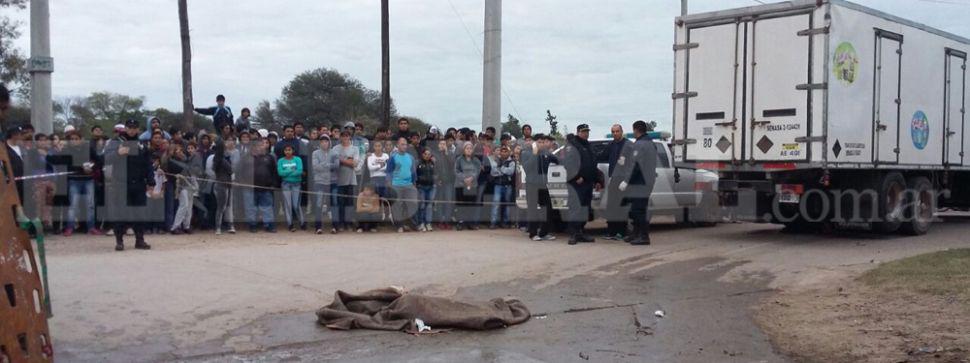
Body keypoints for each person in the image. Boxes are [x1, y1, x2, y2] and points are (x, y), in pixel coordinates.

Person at [105, 119, 155, 251]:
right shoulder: (116, 142)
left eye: (134, 128)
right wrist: (117, 153)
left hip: (138, 184)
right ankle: (119, 241)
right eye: (129, 127)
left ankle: (140, 240)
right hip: (121, 184)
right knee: (120, 213)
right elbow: (105, 159)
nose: (132, 130)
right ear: (125, 128)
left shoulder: (142, 144)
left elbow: (148, 165)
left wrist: (151, 182)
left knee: (139, 213)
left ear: (138, 129)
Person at [617, 120, 658, 246]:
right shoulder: (650, 143)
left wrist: (626, 181)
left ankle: (643, 236)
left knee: (639, 210)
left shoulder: (640, 144)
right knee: (635, 209)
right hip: (647, 180)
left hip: (640, 181)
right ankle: (636, 233)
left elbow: (636, 165)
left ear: (636, 130)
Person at [57, 130, 103, 236]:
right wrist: (81, 168)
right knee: (73, 205)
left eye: (76, 139)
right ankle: (70, 227)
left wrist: (92, 167)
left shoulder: (88, 149)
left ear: (81, 139)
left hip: (88, 180)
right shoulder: (67, 150)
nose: (74, 141)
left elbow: (99, 161)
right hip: (74, 180)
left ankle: (91, 227)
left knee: (90, 205)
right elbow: (64, 163)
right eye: (72, 139)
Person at [562, 124, 601, 245]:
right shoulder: (573, 145)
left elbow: (593, 165)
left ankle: (581, 232)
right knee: (575, 208)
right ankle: (573, 234)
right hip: (577, 183)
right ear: (578, 132)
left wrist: (597, 180)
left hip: (588, 183)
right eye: (583, 131)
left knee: (585, 208)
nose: (586, 133)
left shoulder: (588, 145)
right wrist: (576, 176)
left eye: (587, 131)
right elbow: (568, 164)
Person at [598, 124, 631, 240]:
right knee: (611, 206)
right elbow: (601, 156)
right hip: (613, 179)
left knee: (621, 207)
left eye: (617, 131)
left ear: (622, 131)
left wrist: (627, 181)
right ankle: (611, 232)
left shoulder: (628, 145)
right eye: (613, 131)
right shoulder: (611, 145)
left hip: (623, 179)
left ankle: (622, 232)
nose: (615, 133)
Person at [522, 134, 557, 241]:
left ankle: (544, 232)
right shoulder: (526, 153)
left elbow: (557, 159)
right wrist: (534, 154)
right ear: (534, 143)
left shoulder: (546, 153)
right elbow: (527, 167)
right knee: (532, 209)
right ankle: (533, 233)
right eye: (539, 142)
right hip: (532, 185)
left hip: (543, 185)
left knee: (548, 208)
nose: (541, 144)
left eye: (543, 142)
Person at [240, 138, 277, 233]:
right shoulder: (245, 158)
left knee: (267, 207)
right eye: (256, 145)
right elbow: (239, 172)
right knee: (250, 208)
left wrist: (273, 184)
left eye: (261, 145)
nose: (259, 147)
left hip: (266, 187)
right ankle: (252, 225)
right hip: (249, 188)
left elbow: (274, 172)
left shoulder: (269, 157)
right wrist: (243, 183)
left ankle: (269, 225)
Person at [386, 137, 418, 233]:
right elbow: (389, 172)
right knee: (397, 205)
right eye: (402, 144)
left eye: (405, 144)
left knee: (412, 203)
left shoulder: (410, 157)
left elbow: (413, 172)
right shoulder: (393, 157)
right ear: (397, 145)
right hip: (396, 185)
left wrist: (414, 184)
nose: (404, 146)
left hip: (409, 185)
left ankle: (412, 224)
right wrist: (389, 185)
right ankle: (399, 225)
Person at [206, 138, 236, 235]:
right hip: (223, 185)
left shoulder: (218, 159)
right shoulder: (221, 160)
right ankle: (221, 227)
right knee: (224, 206)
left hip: (223, 184)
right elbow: (231, 171)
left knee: (222, 206)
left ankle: (220, 227)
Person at [332, 131, 359, 231]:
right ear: (340, 137)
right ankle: (341, 223)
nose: (345, 138)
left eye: (347, 136)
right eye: (343, 136)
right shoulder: (335, 148)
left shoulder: (355, 148)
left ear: (350, 137)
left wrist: (341, 160)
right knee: (340, 202)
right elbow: (335, 163)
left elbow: (355, 163)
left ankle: (349, 222)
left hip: (351, 179)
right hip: (338, 179)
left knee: (350, 202)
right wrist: (348, 160)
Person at [167, 143, 197, 234]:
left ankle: (186, 226)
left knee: (189, 206)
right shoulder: (172, 161)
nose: (180, 152)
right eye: (177, 150)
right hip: (180, 186)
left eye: (180, 150)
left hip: (189, 185)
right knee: (184, 205)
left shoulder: (185, 159)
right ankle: (175, 227)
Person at [311, 135, 337, 234]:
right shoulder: (315, 153)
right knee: (319, 204)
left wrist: (323, 164)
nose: (324, 143)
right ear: (319, 143)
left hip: (332, 182)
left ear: (329, 142)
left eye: (326, 141)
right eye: (322, 141)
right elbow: (315, 167)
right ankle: (318, 227)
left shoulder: (334, 152)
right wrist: (328, 165)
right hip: (319, 182)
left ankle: (335, 227)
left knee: (334, 204)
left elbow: (337, 165)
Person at [454, 142, 482, 231]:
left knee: (471, 204)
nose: (469, 150)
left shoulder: (476, 160)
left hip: (472, 184)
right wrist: (464, 178)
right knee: (461, 204)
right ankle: (460, 222)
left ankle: (470, 222)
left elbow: (477, 170)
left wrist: (472, 178)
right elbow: (456, 170)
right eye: (467, 148)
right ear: (463, 150)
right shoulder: (459, 159)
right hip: (460, 184)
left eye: (470, 148)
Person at [277, 144, 304, 232]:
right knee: (287, 205)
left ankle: (302, 222)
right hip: (285, 184)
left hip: (296, 184)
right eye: (286, 150)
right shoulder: (281, 160)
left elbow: (299, 171)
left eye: (289, 150)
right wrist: (292, 169)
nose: (288, 152)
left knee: (296, 205)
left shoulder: (298, 159)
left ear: (293, 151)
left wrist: (287, 172)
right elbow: (280, 173)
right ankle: (290, 224)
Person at [490, 145, 516, 229]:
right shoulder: (496, 160)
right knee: (496, 204)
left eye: (506, 151)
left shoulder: (512, 162)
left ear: (509, 152)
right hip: (498, 185)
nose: (504, 153)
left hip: (508, 186)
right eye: (502, 151)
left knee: (507, 205)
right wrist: (504, 170)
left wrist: (501, 169)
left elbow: (511, 172)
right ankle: (493, 222)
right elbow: (493, 172)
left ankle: (505, 222)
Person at [433, 139, 456, 230]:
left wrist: (446, 153)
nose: (442, 145)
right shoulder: (435, 154)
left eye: (444, 144)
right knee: (440, 202)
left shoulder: (450, 154)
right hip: (439, 182)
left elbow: (452, 165)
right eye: (441, 144)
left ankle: (447, 220)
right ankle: (440, 221)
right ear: (438, 145)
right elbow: (434, 169)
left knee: (448, 202)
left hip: (449, 182)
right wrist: (437, 179)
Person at [415, 148, 436, 232]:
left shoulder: (432, 163)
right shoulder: (418, 163)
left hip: (431, 187)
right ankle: (421, 223)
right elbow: (415, 174)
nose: (427, 155)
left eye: (429, 154)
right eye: (425, 154)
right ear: (422, 154)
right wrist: (418, 182)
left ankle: (428, 223)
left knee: (429, 205)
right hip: (421, 187)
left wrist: (435, 181)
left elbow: (436, 173)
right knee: (422, 205)